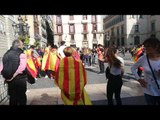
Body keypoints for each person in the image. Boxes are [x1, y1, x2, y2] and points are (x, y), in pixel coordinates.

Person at [131, 37, 160, 105]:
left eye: (148, 46)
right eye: (145, 46)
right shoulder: (143, 58)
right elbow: (133, 68)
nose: (145, 48)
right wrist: (139, 79)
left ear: (156, 46)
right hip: (149, 90)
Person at [0, 39, 27, 105]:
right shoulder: (22, 54)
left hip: (9, 80)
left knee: (12, 98)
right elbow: (22, 67)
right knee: (22, 97)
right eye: (22, 44)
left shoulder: (6, 54)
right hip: (20, 79)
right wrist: (14, 75)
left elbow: (1, 67)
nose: (23, 46)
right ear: (19, 46)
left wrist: (6, 77)